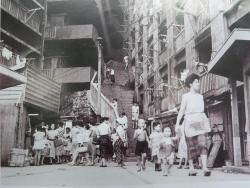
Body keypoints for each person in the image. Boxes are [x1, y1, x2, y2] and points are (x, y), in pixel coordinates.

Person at [175, 73, 211, 176]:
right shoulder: (185, 96)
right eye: (196, 82)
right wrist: (177, 124)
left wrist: (206, 122)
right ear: (190, 84)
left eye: (198, 81)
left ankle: (205, 168)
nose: (198, 84)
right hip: (189, 121)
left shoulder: (200, 96)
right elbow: (181, 111)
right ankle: (191, 169)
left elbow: (204, 111)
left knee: (203, 144)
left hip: (200, 120)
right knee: (191, 146)